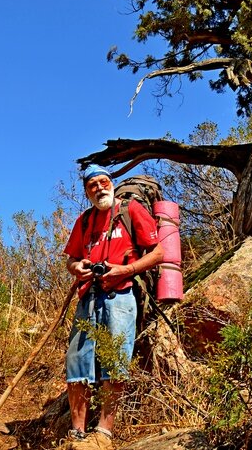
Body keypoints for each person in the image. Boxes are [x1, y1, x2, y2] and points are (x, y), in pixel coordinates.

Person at [64, 164, 164, 450]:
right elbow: (70, 260)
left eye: (103, 182)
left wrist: (124, 270)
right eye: (92, 185)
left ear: (111, 183)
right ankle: (77, 433)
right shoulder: (84, 221)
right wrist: (78, 268)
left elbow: (158, 253)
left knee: (116, 360)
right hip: (88, 297)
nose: (99, 188)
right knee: (77, 362)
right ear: (86, 191)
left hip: (121, 293)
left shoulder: (129, 211)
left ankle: (104, 432)